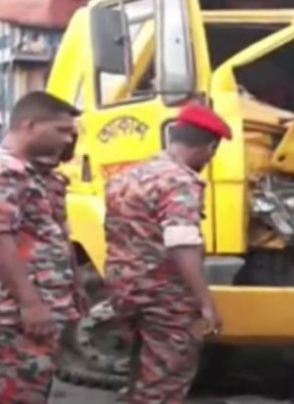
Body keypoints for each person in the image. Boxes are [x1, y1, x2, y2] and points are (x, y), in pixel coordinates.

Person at [0, 91, 82, 403]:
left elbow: (51, 234)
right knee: (14, 392)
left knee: (31, 388)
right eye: (61, 131)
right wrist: (30, 303)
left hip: (34, 303)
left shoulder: (34, 174)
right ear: (30, 125)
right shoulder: (2, 173)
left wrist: (73, 285)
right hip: (10, 311)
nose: (68, 140)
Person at [103, 103, 230, 402]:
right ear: (209, 148)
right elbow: (180, 240)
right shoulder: (180, 181)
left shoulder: (128, 176)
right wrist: (205, 302)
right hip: (164, 296)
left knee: (139, 371)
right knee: (165, 380)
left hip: (125, 289)